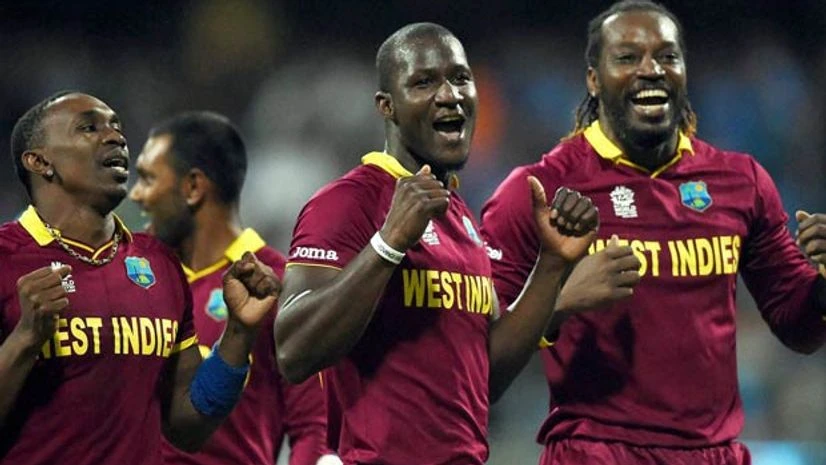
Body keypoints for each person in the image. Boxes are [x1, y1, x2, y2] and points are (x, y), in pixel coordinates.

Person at [480, 1, 826, 464]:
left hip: (712, 456)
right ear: (593, 79)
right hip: (596, 456)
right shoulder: (538, 191)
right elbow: (479, 368)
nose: (651, 69)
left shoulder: (740, 182)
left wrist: (822, 287)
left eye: (667, 56)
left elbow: (800, 330)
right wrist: (559, 304)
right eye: (628, 57)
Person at [274, 22, 600, 465]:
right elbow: (293, 351)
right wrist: (388, 245)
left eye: (460, 78)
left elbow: (483, 379)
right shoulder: (349, 202)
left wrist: (551, 264)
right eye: (424, 82)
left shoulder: (461, 218)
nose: (450, 95)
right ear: (387, 106)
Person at [0, 92, 280, 465]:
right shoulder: (6, 258)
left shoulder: (159, 263)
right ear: (39, 161)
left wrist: (239, 334)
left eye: (116, 126)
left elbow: (188, 427)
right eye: (89, 127)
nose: (115, 136)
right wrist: (24, 339)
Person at [129, 111, 330, 465]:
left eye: (147, 178)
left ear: (193, 187)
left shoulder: (277, 286)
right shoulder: (136, 276)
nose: (135, 194)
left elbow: (314, 428)